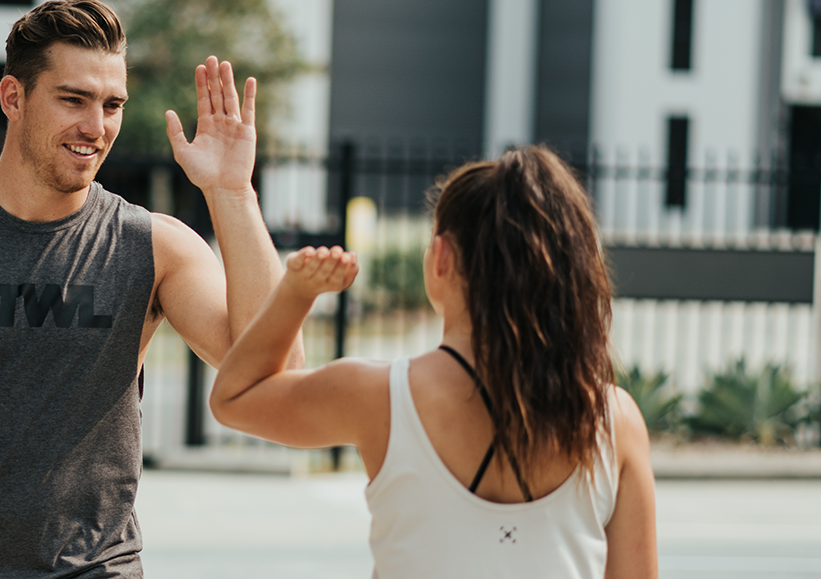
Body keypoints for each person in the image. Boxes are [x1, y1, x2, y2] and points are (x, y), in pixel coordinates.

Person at [0, 0, 299, 579]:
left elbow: (278, 375)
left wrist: (233, 195)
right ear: (14, 97)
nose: (97, 126)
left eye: (112, 104)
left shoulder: (153, 246)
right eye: (74, 100)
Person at [211, 147, 658, 578]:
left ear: (441, 257)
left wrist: (296, 293)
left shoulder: (381, 397)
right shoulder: (615, 420)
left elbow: (235, 397)